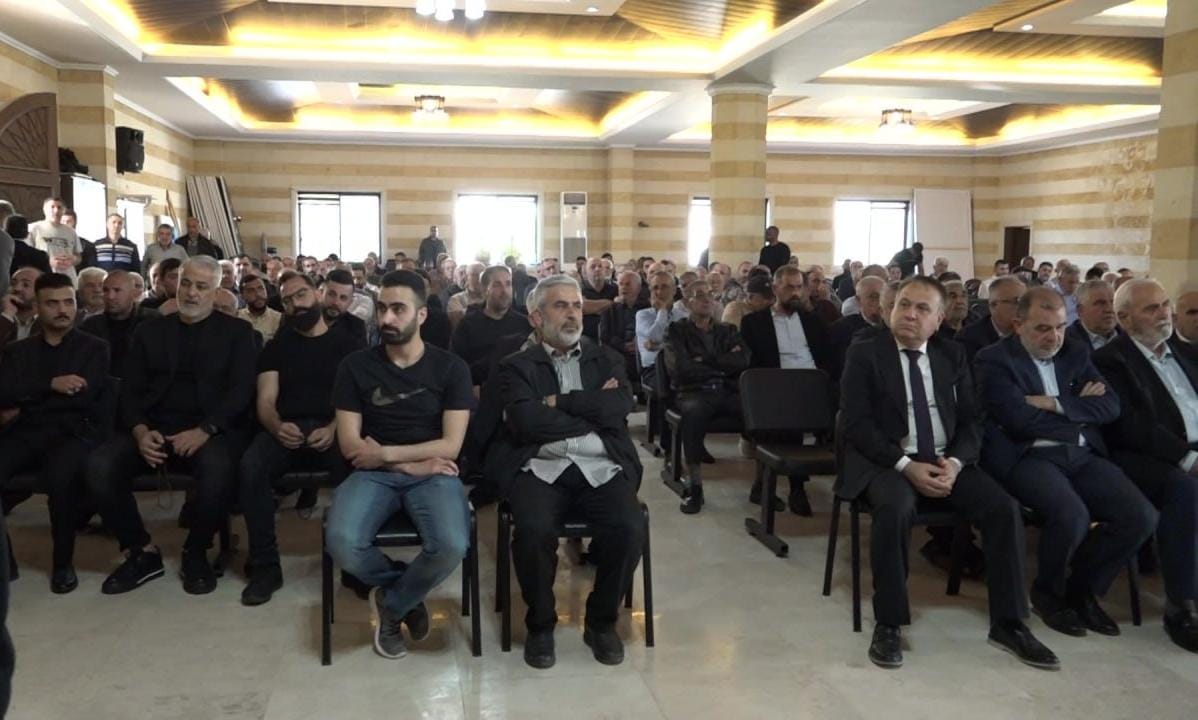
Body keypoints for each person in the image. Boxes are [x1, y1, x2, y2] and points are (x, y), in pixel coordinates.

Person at [839, 276, 1057, 671]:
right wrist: (906, 465)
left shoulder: (952, 354)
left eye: (922, 308)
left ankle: (1010, 623)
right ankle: (889, 622)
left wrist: (955, 463)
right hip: (888, 460)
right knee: (894, 509)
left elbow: (973, 420)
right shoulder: (865, 353)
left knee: (1003, 509)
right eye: (904, 304)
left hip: (945, 461)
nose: (910, 314)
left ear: (939, 319)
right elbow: (857, 425)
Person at [976, 287, 1154, 639]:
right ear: (1018, 325)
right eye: (1042, 328)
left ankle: (1083, 590)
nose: (1054, 337)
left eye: (1059, 327)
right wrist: (1077, 412)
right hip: (1029, 456)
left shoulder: (1075, 351)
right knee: (1072, 515)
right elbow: (1017, 419)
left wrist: (1052, 402)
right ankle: (1049, 592)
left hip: (1082, 454)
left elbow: (1110, 407)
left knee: (1140, 516)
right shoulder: (994, 359)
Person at [488, 274, 644, 669]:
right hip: (541, 466)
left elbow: (619, 408)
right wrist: (593, 409)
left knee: (629, 527)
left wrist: (558, 402)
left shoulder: (606, 358)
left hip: (600, 464)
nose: (573, 314)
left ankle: (601, 621)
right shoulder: (515, 366)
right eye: (561, 306)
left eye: (576, 305)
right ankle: (541, 624)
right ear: (536, 318)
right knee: (533, 530)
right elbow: (526, 423)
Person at [324, 270, 473, 660]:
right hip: (375, 473)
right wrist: (410, 465)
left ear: (421, 315)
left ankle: (392, 605)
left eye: (398, 309)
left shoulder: (451, 368)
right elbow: (351, 445)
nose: (387, 318)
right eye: (382, 309)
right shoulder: (354, 366)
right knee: (342, 543)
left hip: (431, 473)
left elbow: (451, 445)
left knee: (451, 545)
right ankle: (407, 595)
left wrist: (389, 456)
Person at [87, 256, 257, 595]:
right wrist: (139, 430)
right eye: (186, 284)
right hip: (153, 427)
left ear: (216, 291)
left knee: (219, 469)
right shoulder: (150, 331)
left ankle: (196, 550)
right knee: (98, 465)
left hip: (208, 430)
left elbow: (241, 392)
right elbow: (129, 390)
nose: (191, 293)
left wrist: (205, 430)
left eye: (201, 286)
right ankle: (140, 550)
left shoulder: (238, 333)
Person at [238, 271, 364, 606]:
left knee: (358, 466)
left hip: (334, 426)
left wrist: (335, 427)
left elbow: (357, 400)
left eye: (301, 294)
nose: (296, 304)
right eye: (288, 300)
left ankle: (354, 560)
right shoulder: (275, 348)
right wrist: (276, 426)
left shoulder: (348, 347)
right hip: (286, 429)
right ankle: (265, 565)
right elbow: (266, 401)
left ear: (317, 294)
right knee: (251, 467)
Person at [1094, 279, 1198, 653]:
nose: (1164, 314)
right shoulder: (1111, 360)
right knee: (1186, 489)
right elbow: (1131, 426)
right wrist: (1188, 458)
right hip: (1146, 457)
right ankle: (1182, 604)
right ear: (1124, 318)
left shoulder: (1185, 353)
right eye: (1151, 308)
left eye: (1165, 305)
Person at [0, 273, 110, 593]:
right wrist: (51, 385)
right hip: (26, 432)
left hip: (72, 433)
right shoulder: (18, 351)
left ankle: (63, 564)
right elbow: (4, 394)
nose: (63, 310)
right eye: (52, 303)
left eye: (68, 302)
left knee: (62, 483)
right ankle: (4, 559)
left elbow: (84, 399)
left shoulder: (94, 348)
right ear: (37, 306)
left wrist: (28, 398)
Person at [740, 265, 833, 515]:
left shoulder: (813, 321)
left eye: (799, 287)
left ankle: (769, 485)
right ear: (775, 288)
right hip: (774, 387)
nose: (796, 293)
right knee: (784, 413)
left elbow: (827, 358)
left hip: (812, 386)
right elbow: (752, 365)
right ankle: (794, 487)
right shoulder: (754, 323)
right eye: (790, 287)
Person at [664, 280, 749, 514]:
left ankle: (762, 485)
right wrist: (723, 364)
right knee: (693, 414)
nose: (706, 299)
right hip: (693, 391)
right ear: (687, 301)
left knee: (757, 412)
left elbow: (743, 361)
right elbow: (681, 369)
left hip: (725, 389)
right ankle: (695, 486)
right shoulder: (677, 330)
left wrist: (706, 360)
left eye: (710, 294)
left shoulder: (727, 330)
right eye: (699, 295)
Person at [450, 265, 529, 388]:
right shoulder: (467, 325)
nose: (504, 290)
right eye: (497, 285)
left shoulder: (523, 324)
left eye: (508, 284)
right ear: (484, 289)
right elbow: (457, 365)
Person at [80, 270, 159, 379]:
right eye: (106, 290)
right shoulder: (90, 326)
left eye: (117, 290)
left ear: (132, 293)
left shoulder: (152, 322)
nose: (110, 296)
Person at [956, 276, 1026, 365]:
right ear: (993, 305)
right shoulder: (968, 339)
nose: (1024, 308)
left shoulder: (1031, 334)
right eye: (1017, 302)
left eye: (1026, 302)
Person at [634, 270, 686, 387]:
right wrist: (662, 311)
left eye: (664, 287)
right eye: (655, 288)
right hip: (654, 369)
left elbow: (685, 346)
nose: (659, 292)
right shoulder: (643, 315)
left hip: (679, 367)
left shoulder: (683, 316)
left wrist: (660, 346)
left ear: (674, 290)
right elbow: (655, 337)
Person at [829, 276, 884, 381]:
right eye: (873, 297)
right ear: (859, 301)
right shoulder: (842, 329)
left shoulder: (895, 329)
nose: (880, 303)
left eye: (884, 297)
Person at [598, 270, 647, 384]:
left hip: (643, 351)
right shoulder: (610, 310)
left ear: (638, 288)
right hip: (619, 352)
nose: (624, 287)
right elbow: (604, 336)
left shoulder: (647, 308)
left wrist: (638, 344)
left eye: (628, 284)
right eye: (621, 284)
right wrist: (623, 345)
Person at [27, 197, 81, 282]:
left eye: (59, 207)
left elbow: (78, 256)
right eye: (52, 207)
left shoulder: (71, 232)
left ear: (63, 210)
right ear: (44, 209)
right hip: (43, 276)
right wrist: (47, 261)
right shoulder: (34, 228)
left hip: (68, 277)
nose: (56, 211)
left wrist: (73, 259)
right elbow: (27, 254)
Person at [1066, 279, 1121, 353]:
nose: (1109, 309)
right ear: (1080, 310)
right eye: (1100, 303)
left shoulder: (1130, 336)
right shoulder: (1065, 343)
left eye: (1113, 302)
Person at [320, 269, 368, 344]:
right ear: (321, 293)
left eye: (343, 298)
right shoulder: (306, 319)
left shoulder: (356, 327)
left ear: (350, 302)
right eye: (332, 294)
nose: (336, 302)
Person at [580, 257, 618, 342]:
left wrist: (593, 307)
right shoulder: (579, 290)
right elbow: (583, 307)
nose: (597, 269)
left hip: (612, 338)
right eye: (593, 267)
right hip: (586, 338)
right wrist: (611, 303)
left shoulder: (615, 289)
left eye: (600, 266)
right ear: (585, 273)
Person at [1, 267, 41, 345]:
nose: (17, 288)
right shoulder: (3, 316)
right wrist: (7, 315)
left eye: (26, 285)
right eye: (13, 283)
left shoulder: (49, 320)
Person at [237, 274, 282, 342]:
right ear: (242, 296)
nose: (258, 294)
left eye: (260, 288)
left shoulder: (279, 319)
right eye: (251, 291)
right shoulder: (237, 317)